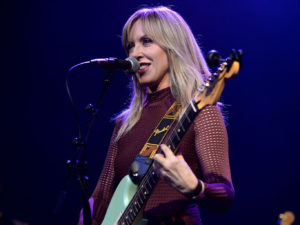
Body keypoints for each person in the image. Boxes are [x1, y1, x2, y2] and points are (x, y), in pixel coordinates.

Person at [79, 5, 234, 225]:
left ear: (173, 46)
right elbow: (102, 197)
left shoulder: (201, 111)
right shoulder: (125, 123)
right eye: (130, 46)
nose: (135, 53)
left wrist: (195, 188)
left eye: (147, 41)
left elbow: (225, 197)